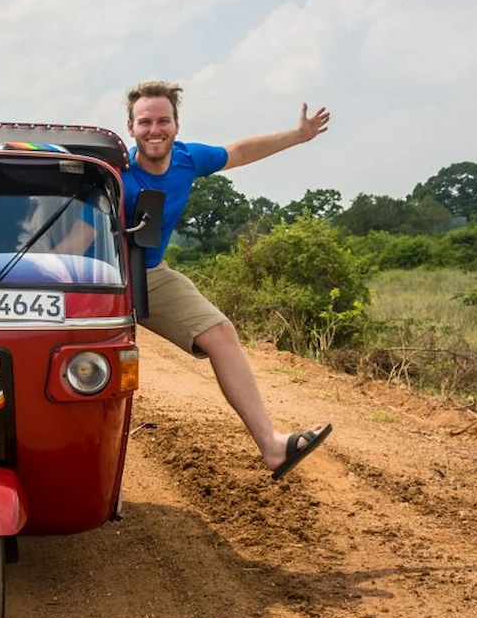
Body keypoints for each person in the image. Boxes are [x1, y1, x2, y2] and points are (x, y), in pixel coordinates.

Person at [67, 81, 333, 480]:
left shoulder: (188, 160)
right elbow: (76, 244)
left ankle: (272, 447)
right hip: (99, 276)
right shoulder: (118, 176)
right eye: (145, 123)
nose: (154, 130)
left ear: (175, 124)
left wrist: (298, 136)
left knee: (221, 333)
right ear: (130, 127)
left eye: (162, 121)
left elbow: (240, 152)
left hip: (150, 272)